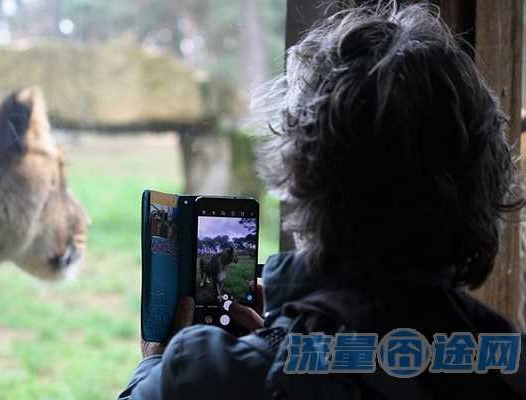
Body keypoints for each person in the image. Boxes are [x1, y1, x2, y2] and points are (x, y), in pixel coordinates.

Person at [119, 2, 526, 399]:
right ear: (483, 181)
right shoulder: (510, 362)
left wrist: (158, 366)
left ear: (301, 172)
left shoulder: (207, 379)